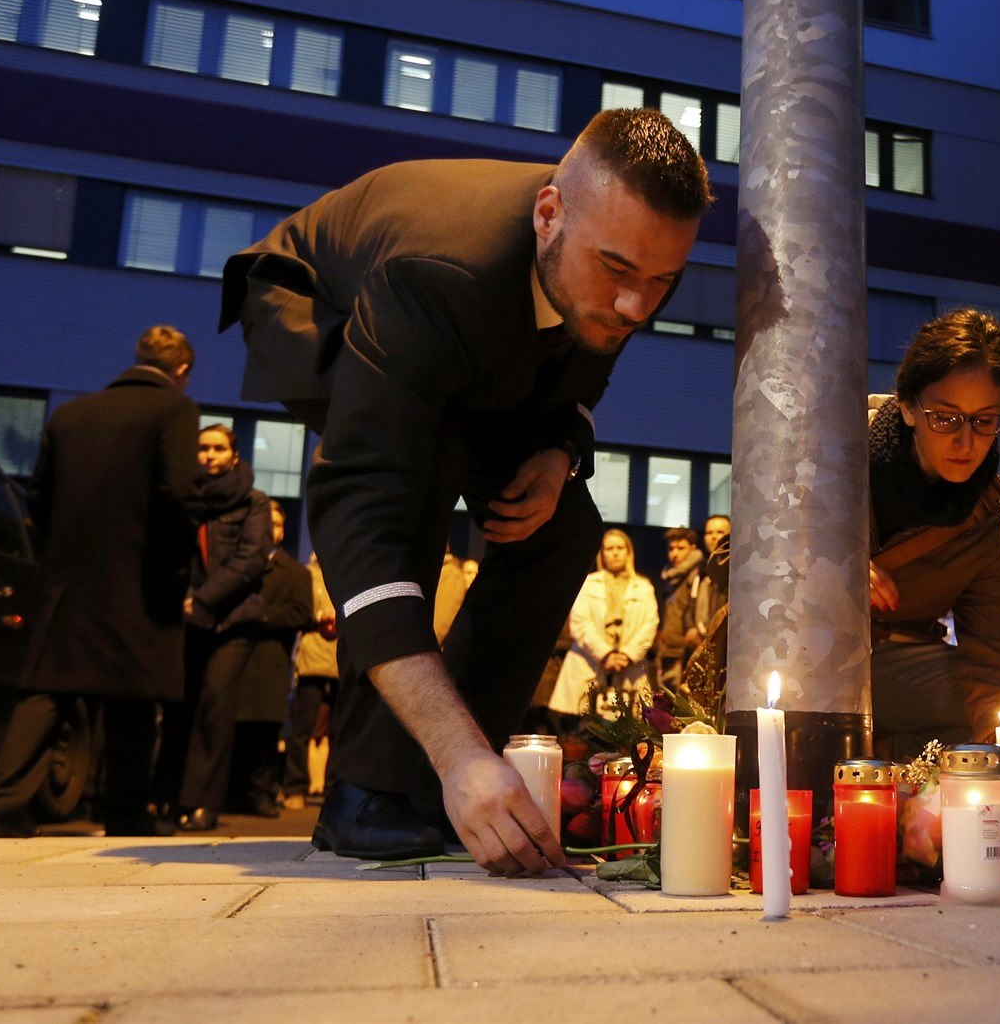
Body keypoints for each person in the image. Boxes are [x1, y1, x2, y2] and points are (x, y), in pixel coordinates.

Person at [218, 107, 710, 867]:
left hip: (481, 351)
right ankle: (365, 791)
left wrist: (559, 452)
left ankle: (445, 784)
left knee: (565, 527)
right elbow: (361, 506)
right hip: (316, 303)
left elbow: (581, 367)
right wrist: (456, 755)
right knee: (421, 467)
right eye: (616, 271)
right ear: (548, 214)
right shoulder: (438, 270)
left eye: (661, 281)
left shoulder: (623, 260)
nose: (635, 307)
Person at [0, 326, 200, 838]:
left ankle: (0, 806)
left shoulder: (72, 414)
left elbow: (38, 496)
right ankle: (125, 811)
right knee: (134, 696)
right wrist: (177, 565)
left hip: (71, 580)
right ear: (181, 371)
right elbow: (180, 493)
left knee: (48, 688)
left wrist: (61, 555)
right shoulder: (174, 410)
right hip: (141, 578)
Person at [866, 309, 1000, 759]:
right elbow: (732, 558)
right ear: (907, 406)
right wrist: (831, 571)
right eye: (944, 418)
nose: (965, 442)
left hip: (900, 662)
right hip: (795, 656)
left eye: (984, 420)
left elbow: (991, 658)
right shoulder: (834, 452)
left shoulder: (994, 522)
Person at [166, 425, 273, 831]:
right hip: (189, 616)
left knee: (214, 706)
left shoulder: (253, 501)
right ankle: (169, 797)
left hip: (234, 619)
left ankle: (201, 803)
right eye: (202, 448)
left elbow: (251, 559)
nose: (209, 455)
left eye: (217, 448)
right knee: (181, 706)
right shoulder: (187, 499)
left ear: (234, 455)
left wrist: (202, 597)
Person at [227, 499, 313, 816]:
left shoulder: (296, 573)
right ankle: (230, 792)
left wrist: (260, 616)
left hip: (270, 662)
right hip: (234, 660)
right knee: (231, 729)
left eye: (276, 524)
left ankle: (260, 793)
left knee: (264, 733)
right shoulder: (236, 567)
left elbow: (302, 613)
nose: (270, 530)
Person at [548, 529, 660, 719]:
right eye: (609, 548)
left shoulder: (644, 587)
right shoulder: (587, 584)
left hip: (630, 669)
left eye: (620, 548)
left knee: (631, 726)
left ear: (628, 552)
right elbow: (580, 623)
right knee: (583, 726)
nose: (615, 553)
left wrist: (627, 655)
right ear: (602, 554)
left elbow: (649, 625)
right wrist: (605, 654)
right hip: (588, 664)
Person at [281, 553, 338, 808]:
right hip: (313, 655)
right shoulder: (308, 574)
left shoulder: (347, 569)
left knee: (340, 730)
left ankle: (335, 789)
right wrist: (318, 615)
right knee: (302, 727)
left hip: (341, 657)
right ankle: (295, 787)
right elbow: (299, 609)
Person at [655, 527, 702, 687]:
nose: (675, 553)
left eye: (681, 548)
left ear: (693, 548)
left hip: (688, 650)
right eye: (671, 548)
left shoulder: (698, 574)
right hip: (667, 649)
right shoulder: (668, 575)